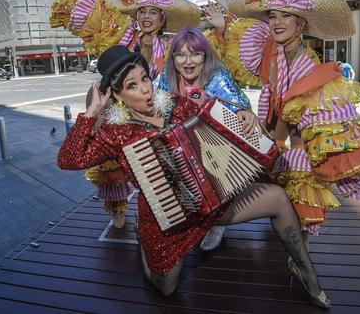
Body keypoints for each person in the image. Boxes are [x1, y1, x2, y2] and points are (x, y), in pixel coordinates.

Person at [57, 45, 331, 308]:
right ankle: (144, 241)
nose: (145, 89)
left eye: (145, 78)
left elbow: (218, 122)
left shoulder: (176, 106)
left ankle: (305, 270)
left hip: (210, 205)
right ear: (117, 95)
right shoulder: (115, 134)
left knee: (278, 198)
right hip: (167, 220)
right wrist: (91, 114)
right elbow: (68, 160)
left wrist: (244, 116)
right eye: (132, 86)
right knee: (166, 288)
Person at [209, 0, 360, 239]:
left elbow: (336, 131)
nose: (277, 22)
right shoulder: (270, 49)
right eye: (273, 15)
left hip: (300, 149)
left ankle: (297, 263)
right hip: (272, 137)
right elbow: (247, 39)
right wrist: (225, 22)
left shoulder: (310, 70)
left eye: (285, 15)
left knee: (300, 209)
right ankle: (223, 224)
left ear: (300, 22)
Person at [51, 0, 201, 228]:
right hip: (119, 115)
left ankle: (166, 213)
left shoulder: (171, 48)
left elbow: (198, 63)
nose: (146, 16)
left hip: (156, 117)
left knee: (164, 173)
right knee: (113, 169)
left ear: (162, 18)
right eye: (141, 10)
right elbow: (94, 12)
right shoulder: (119, 34)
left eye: (153, 12)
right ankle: (119, 209)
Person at [155, 26, 257, 250]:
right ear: (173, 58)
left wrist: (243, 113)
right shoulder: (166, 78)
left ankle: (216, 222)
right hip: (181, 147)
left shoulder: (217, 76)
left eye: (195, 54)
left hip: (216, 147)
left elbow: (240, 104)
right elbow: (154, 108)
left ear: (205, 56)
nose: (188, 61)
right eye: (181, 54)